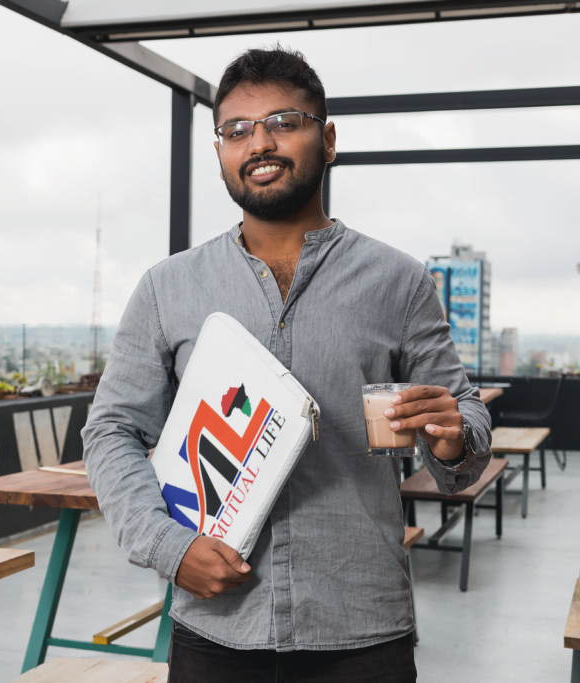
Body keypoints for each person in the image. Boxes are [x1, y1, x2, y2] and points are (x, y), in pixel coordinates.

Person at [81, 46, 492, 682]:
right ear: (219, 150)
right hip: (216, 626)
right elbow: (111, 431)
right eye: (236, 130)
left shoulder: (401, 282)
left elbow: (460, 439)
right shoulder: (167, 287)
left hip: (363, 627)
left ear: (327, 140)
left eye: (285, 121)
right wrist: (169, 548)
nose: (260, 143)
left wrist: (454, 436)